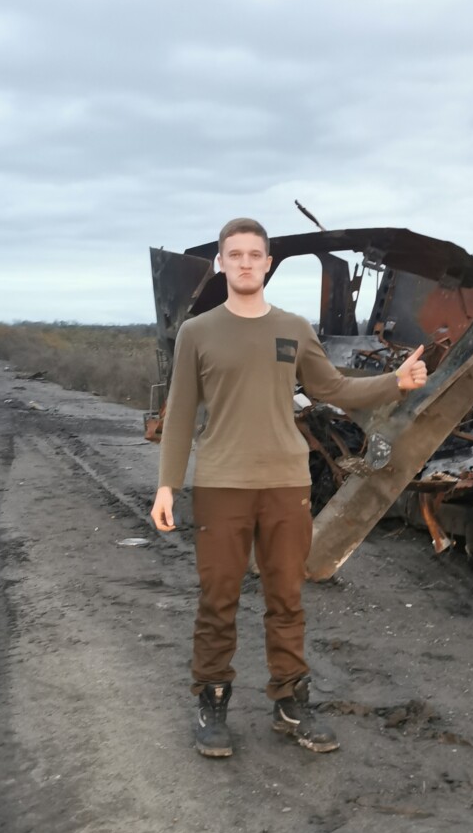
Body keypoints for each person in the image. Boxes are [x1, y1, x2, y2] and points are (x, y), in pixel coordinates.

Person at [150, 218, 428, 758]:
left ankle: (290, 703)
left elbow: (334, 389)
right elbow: (180, 413)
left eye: (255, 255)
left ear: (268, 264)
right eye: (235, 255)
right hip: (222, 485)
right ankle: (212, 700)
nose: (245, 263)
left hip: (285, 485)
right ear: (222, 263)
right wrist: (167, 485)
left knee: (287, 599)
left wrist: (395, 383)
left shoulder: (294, 328)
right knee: (217, 599)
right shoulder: (197, 332)